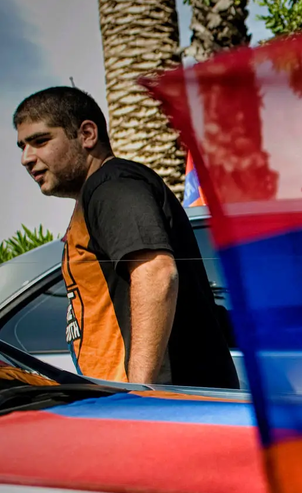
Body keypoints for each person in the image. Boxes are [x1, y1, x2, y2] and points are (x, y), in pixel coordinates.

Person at [12, 87, 238, 388]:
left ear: (87, 134)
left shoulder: (113, 186)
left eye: (40, 141)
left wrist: (139, 394)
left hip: (159, 405)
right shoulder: (97, 194)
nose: (27, 158)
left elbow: (156, 273)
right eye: (22, 147)